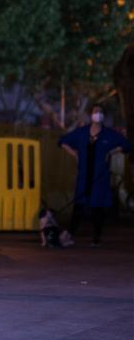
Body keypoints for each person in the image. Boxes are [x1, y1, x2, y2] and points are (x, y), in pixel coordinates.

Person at [58, 105, 131, 246]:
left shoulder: (109, 134)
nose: (98, 114)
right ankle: (69, 235)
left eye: (101, 112)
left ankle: (96, 238)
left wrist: (112, 152)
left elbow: (127, 145)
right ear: (91, 114)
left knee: (98, 208)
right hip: (84, 177)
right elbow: (62, 141)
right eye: (96, 111)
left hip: (99, 177)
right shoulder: (81, 133)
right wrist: (74, 154)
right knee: (79, 206)